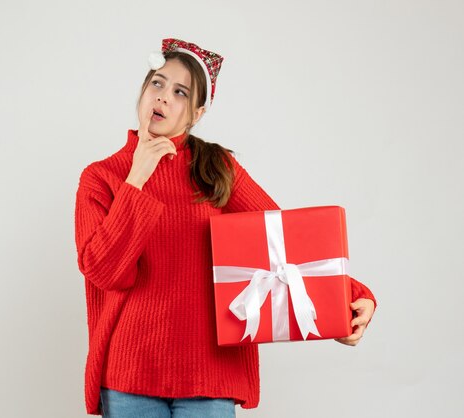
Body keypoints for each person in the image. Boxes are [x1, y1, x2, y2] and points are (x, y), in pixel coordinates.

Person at [74, 38, 377, 418]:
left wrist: (353, 296)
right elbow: (104, 272)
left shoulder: (215, 169)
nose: (164, 97)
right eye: (157, 83)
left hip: (210, 373)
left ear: (197, 113)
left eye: (180, 92)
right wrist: (136, 179)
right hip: (129, 373)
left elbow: (283, 242)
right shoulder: (101, 178)